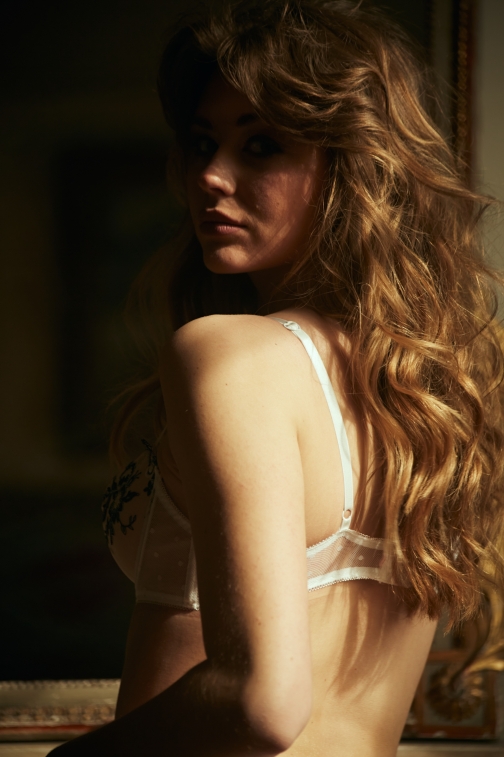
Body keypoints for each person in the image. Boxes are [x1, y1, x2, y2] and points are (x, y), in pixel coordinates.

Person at [50, 0, 504, 754]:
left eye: (261, 146)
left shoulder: (230, 356)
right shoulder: (429, 391)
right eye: (202, 143)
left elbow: (261, 699)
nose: (209, 176)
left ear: (352, 169)